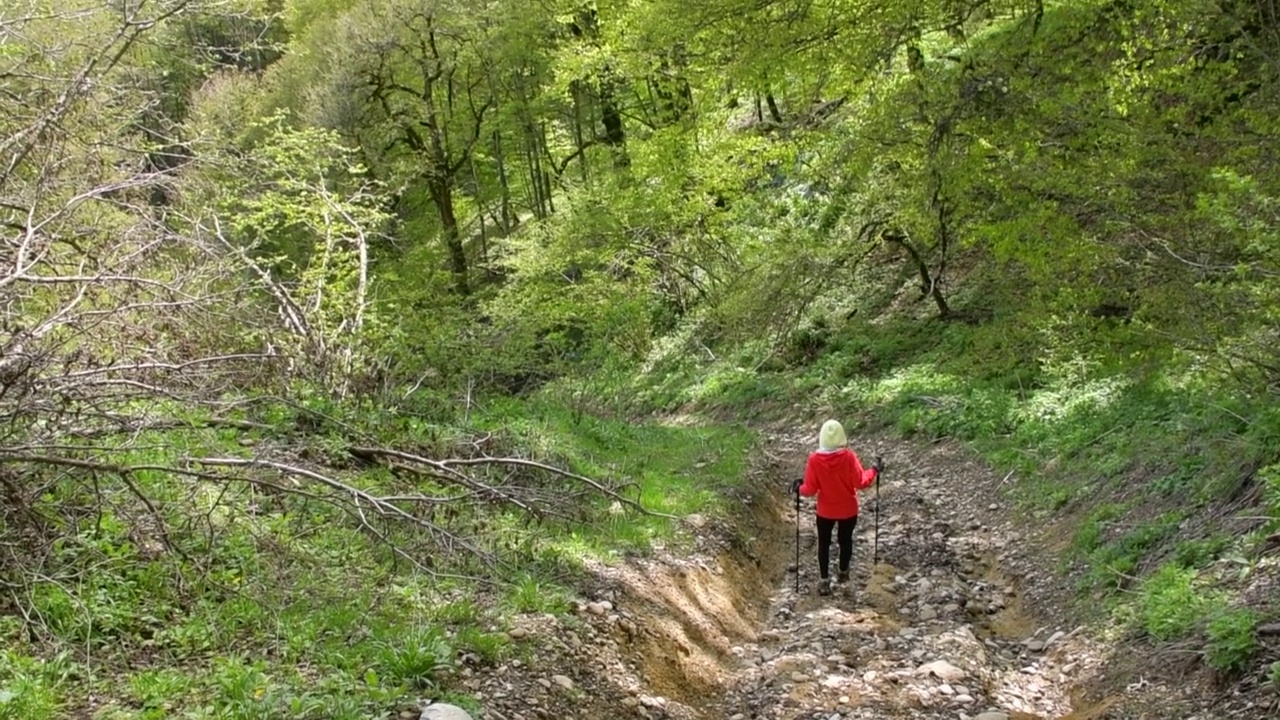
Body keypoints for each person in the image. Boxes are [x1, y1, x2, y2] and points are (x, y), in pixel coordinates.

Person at [790, 419, 881, 595]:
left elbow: (810, 489)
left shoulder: (814, 459)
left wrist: (798, 488)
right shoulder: (849, 457)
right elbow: (861, 482)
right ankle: (843, 572)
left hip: (825, 511)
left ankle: (824, 581)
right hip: (848, 509)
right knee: (845, 540)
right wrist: (874, 471)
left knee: (824, 543)